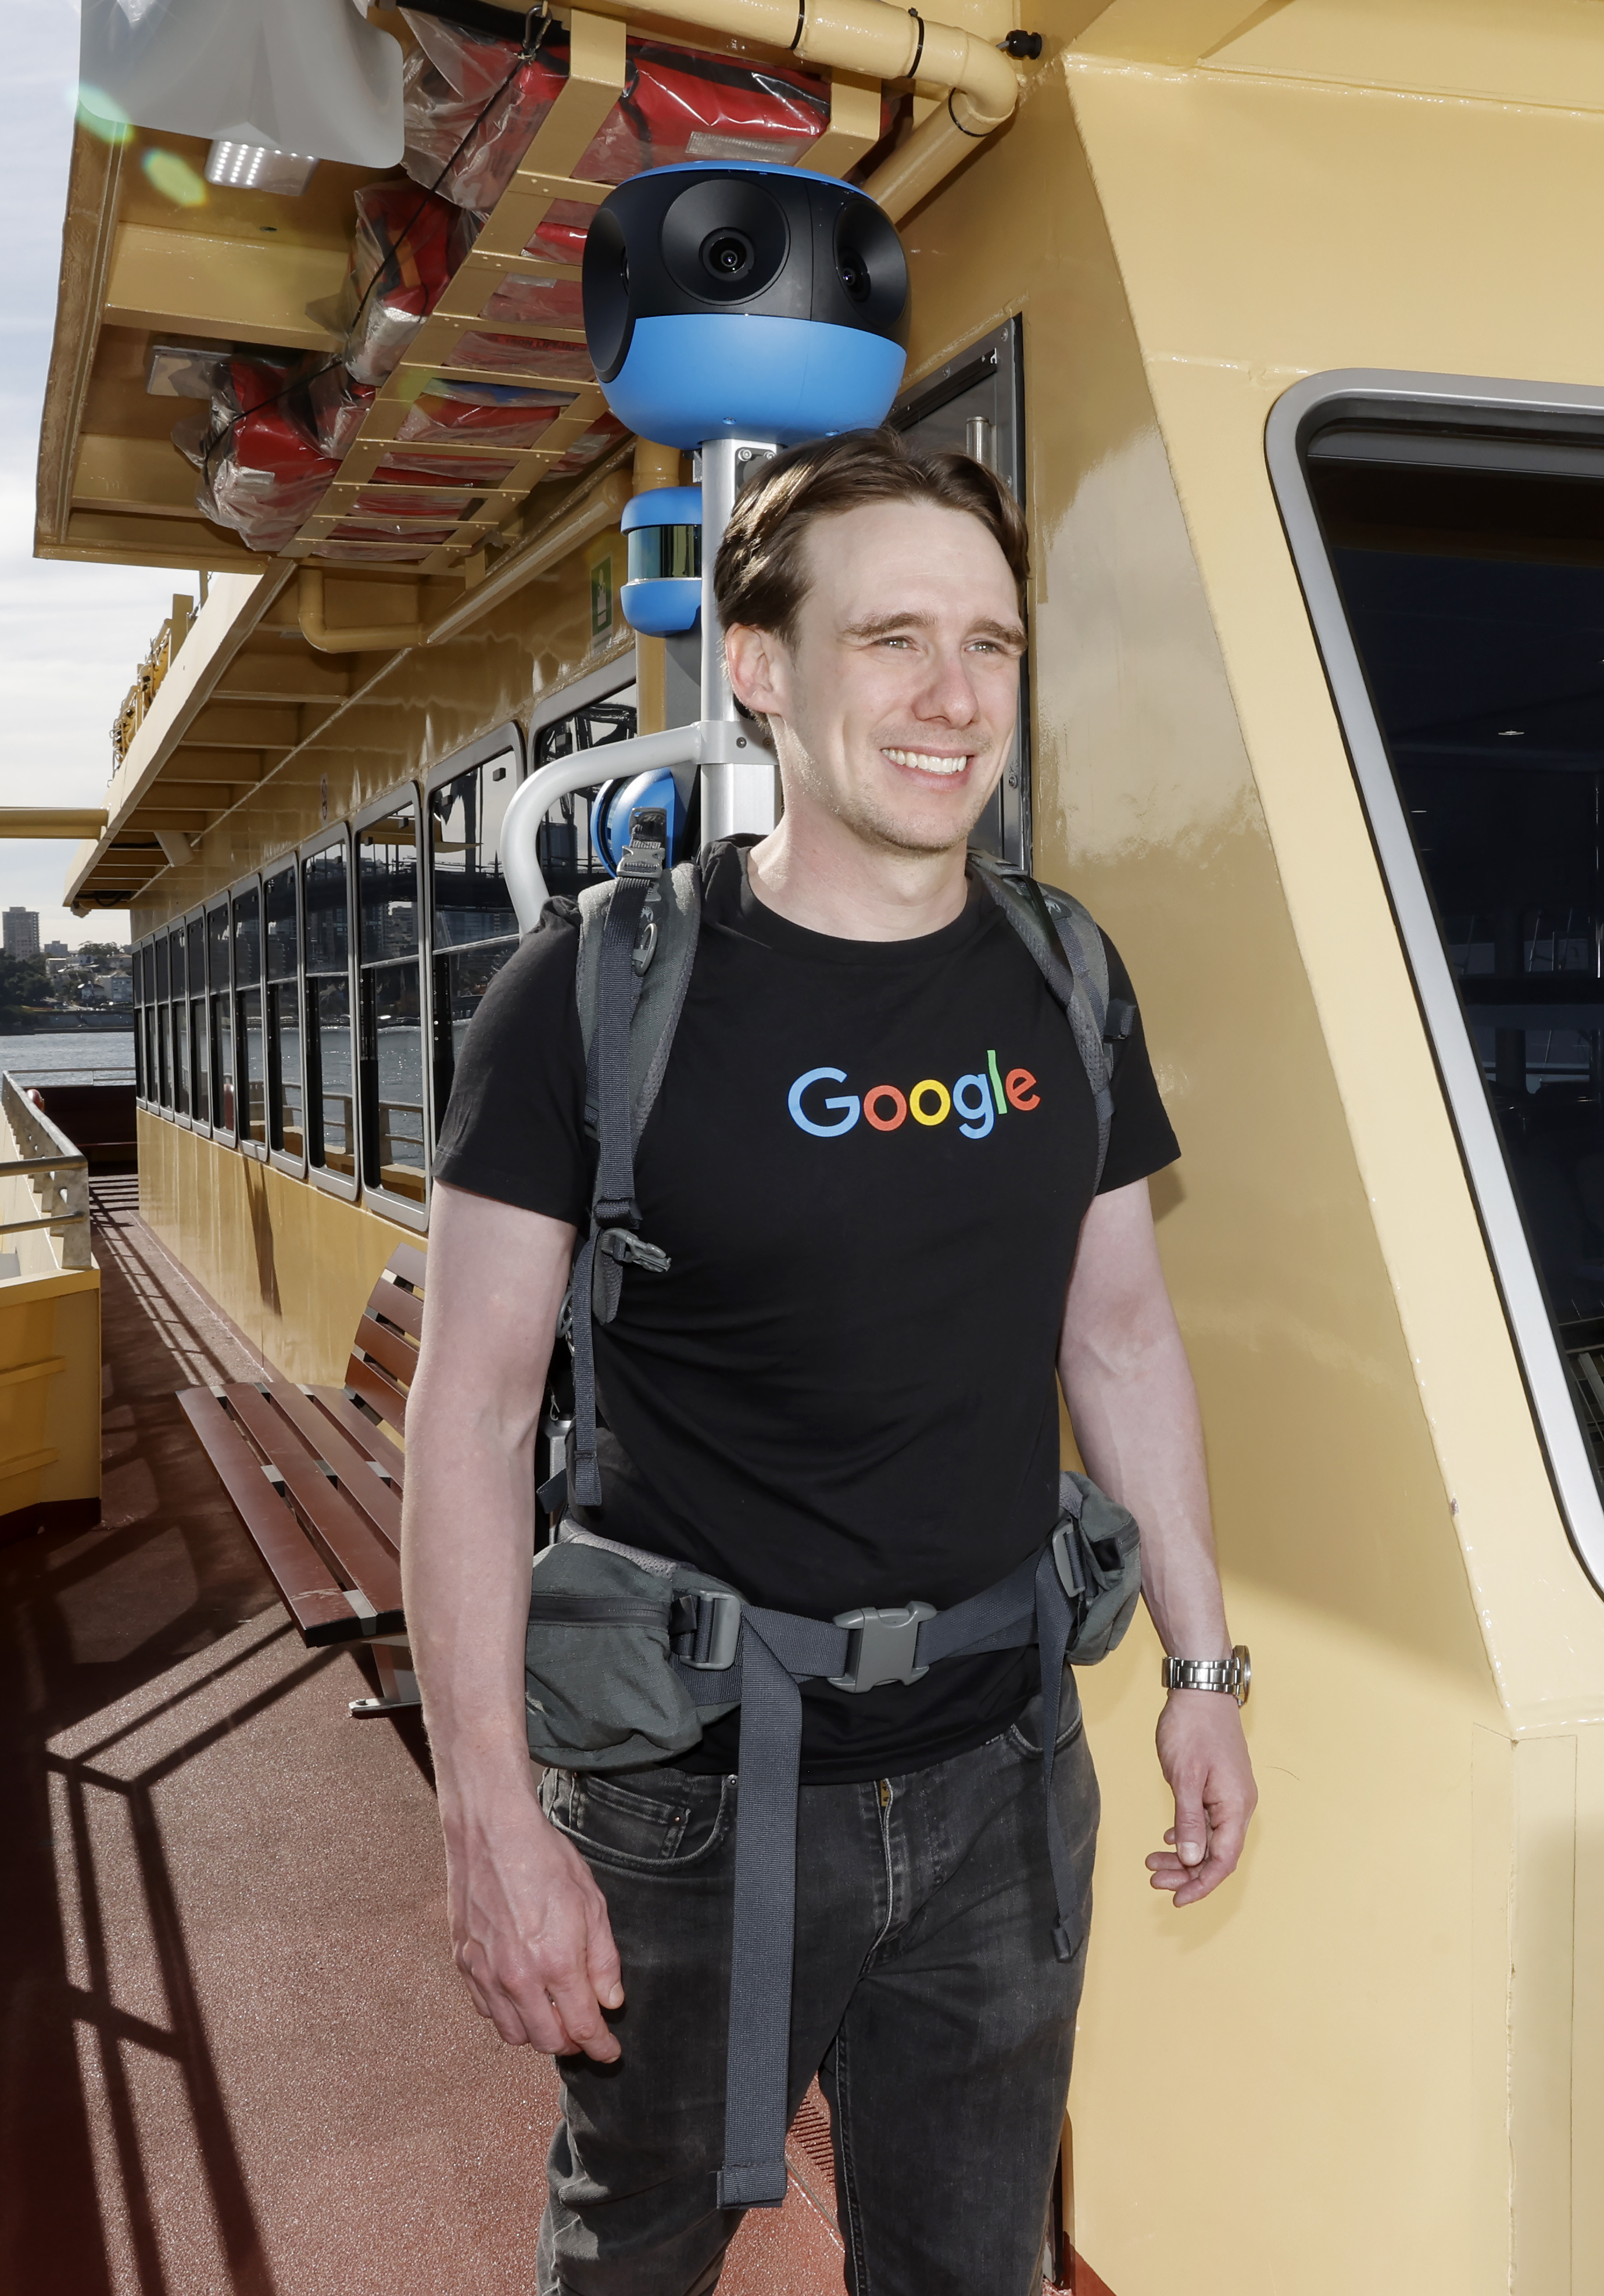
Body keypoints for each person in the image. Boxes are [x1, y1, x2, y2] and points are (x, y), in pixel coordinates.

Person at [406, 427, 1258, 2294]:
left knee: (976, 2269)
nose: (957, 700)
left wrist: (1200, 1665)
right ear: (764, 670)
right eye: (895, 640)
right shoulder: (595, 997)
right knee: (633, 2259)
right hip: (698, 1796)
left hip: (1006, 1766)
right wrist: (491, 1818)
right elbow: (466, 1413)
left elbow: (1117, 1334)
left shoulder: (1066, 975)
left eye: (993, 645)